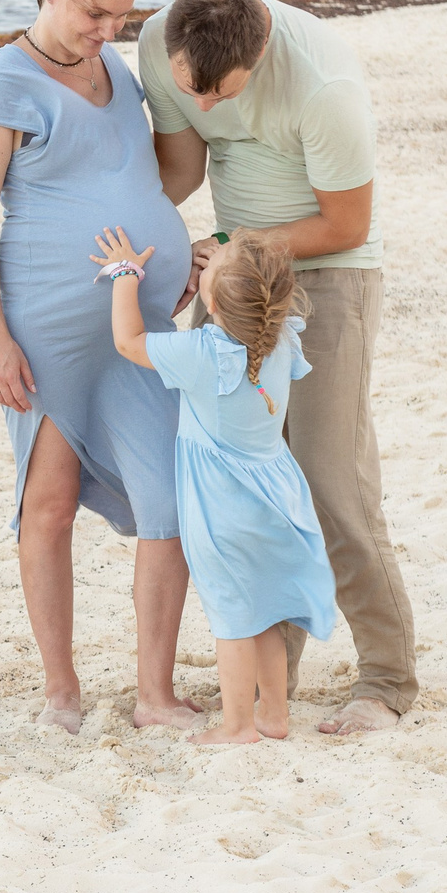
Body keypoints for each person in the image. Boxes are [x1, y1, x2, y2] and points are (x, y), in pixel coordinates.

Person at [140, 0, 414, 736]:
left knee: (333, 483)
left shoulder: (323, 86)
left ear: (256, 61)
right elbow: (181, 172)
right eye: (185, 88)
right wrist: (145, 248)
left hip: (328, 270)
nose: (197, 106)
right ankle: (274, 678)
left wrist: (230, 244)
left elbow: (345, 222)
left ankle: (386, 682)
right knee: (242, 483)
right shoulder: (170, 42)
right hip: (234, 276)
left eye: (215, 95)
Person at [0, 0, 199, 735]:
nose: (109, 33)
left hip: (144, 327)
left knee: (171, 504)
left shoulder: (117, 71)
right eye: (96, 14)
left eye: (123, 20)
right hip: (51, 328)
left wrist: (183, 247)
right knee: (49, 504)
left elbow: (149, 176)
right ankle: (61, 691)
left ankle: (154, 696)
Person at [94, 226, 338, 745]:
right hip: (277, 497)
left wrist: (124, 275)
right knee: (265, 612)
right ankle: (273, 716)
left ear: (212, 304)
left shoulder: (203, 353)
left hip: (223, 508)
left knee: (232, 617)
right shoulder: (283, 337)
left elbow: (126, 341)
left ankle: (237, 725)